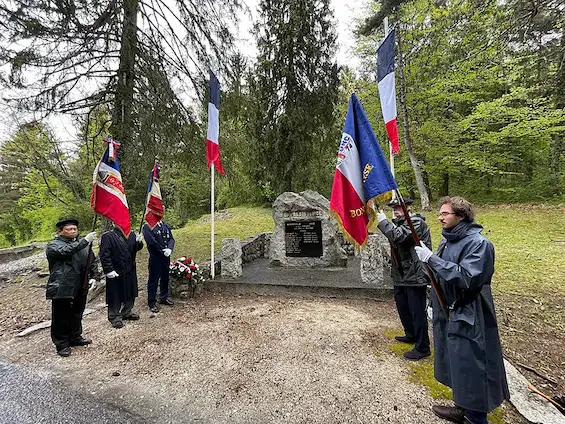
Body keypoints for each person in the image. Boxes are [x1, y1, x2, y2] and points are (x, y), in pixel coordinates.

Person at [414, 196, 510, 424]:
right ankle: (462, 407)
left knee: (473, 365)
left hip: (470, 311)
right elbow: (439, 277)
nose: (439, 217)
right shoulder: (448, 241)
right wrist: (431, 302)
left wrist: (433, 260)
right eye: (440, 213)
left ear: (461, 216)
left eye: (445, 213)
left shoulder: (479, 244)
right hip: (448, 309)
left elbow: (467, 277)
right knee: (457, 362)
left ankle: (476, 417)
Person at [376, 197, 432, 361]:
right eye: (394, 208)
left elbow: (398, 237)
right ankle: (411, 334)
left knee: (417, 312)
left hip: (414, 274)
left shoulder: (415, 222)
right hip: (401, 274)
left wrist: (382, 222)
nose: (396, 211)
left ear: (409, 208)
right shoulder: (399, 224)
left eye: (399, 208)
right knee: (403, 307)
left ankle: (423, 347)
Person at [46, 219, 97, 357]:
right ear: (60, 231)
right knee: (61, 315)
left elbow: (91, 259)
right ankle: (62, 343)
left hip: (81, 283)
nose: (73, 231)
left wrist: (93, 276)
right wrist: (84, 242)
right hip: (62, 284)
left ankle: (75, 336)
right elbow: (66, 252)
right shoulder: (53, 245)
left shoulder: (82, 244)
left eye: (75, 229)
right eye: (69, 229)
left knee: (77, 311)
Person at [99, 225, 144, 328]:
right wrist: (108, 270)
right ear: (114, 223)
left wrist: (139, 242)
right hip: (116, 270)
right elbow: (104, 254)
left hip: (130, 268)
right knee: (115, 294)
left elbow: (134, 248)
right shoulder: (108, 236)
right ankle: (114, 316)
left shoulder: (132, 234)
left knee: (130, 291)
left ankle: (127, 312)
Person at [143, 220, 175, 313]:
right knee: (154, 279)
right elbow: (151, 242)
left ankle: (163, 297)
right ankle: (151, 302)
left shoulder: (164, 225)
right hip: (155, 257)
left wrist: (169, 248)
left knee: (165, 277)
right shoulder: (148, 226)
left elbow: (171, 239)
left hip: (166, 257)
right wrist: (162, 250)